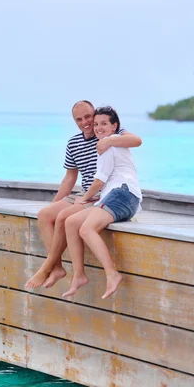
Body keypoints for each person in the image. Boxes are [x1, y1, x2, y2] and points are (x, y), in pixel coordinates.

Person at [25, 101, 142, 289]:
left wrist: (109, 140)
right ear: (75, 122)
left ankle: (47, 267)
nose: (86, 122)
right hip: (83, 192)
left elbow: (136, 141)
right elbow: (70, 178)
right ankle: (56, 268)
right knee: (45, 214)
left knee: (65, 217)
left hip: (100, 194)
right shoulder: (74, 142)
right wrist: (54, 203)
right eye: (79, 119)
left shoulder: (108, 134)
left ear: (94, 114)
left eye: (88, 117)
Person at [61, 106, 142, 299]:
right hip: (118, 197)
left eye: (104, 123)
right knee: (71, 222)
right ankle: (78, 275)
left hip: (122, 194)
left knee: (86, 229)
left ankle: (112, 274)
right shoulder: (110, 143)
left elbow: (99, 181)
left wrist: (84, 197)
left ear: (115, 126)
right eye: (96, 124)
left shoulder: (108, 144)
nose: (98, 127)